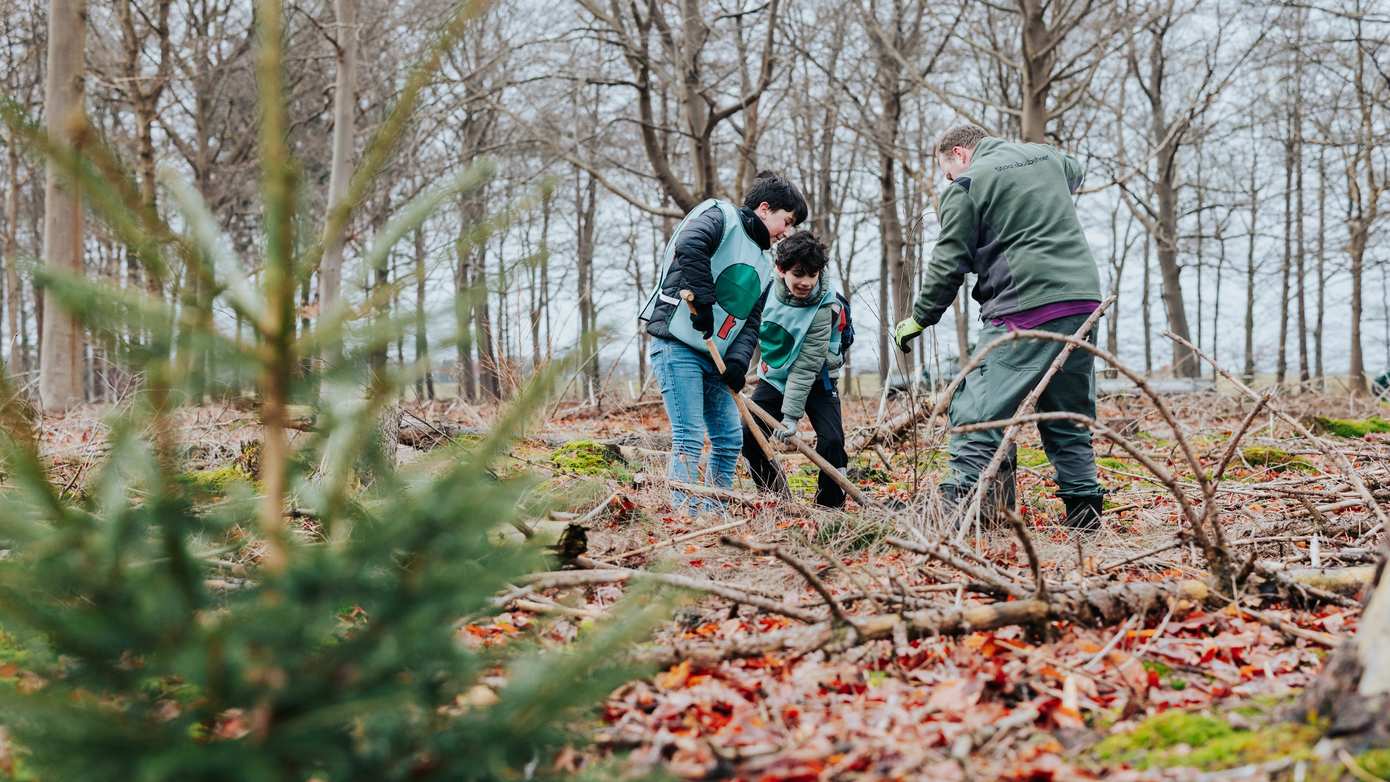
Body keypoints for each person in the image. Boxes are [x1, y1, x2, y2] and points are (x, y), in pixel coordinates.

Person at [892, 124, 1105, 530]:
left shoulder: (968, 186)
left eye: (947, 170)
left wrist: (920, 317)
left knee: (977, 410)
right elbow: (1075, 171)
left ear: (960, 152)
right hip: (1083, 303)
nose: (948, 180)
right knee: (1067, 413)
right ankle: (1085, 518)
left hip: (1023, 308)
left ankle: (963, 512)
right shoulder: (1047, 157)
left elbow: (947, 263)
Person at [638, 172, 807, 515]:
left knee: (730, 439)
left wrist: (737, 364)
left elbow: (751, 321)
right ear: (764, 209)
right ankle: (685, 513)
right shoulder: (719, 216)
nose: (786, 232)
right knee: (688, 434)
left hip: (716, 359)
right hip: (677, 344)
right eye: (786, 221)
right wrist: (701, 300)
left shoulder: (764, 263)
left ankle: (714, 509)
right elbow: (690, 244)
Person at [741, 231, 849, 508]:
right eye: (798, 273)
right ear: (780, 269)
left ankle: (830, 508)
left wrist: (791, 417)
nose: (806, 282)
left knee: (832, 442)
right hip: (775, 378)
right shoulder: (765, 290)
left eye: (812, 274)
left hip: (817, 379)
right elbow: (748, 330)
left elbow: (807, 365)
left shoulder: (826, 304)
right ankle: (777, 499)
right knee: (750, 435)